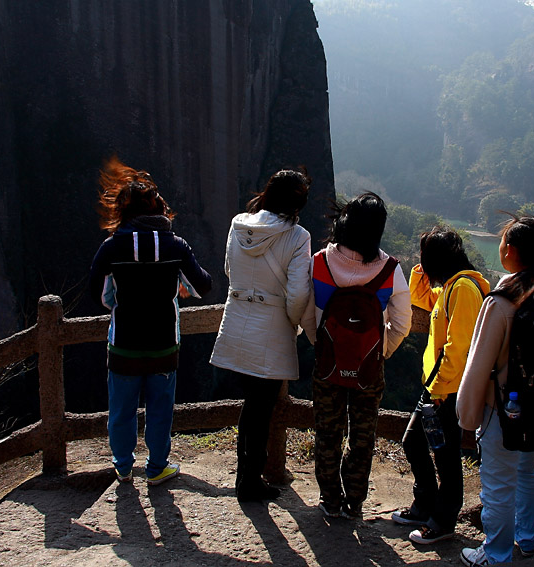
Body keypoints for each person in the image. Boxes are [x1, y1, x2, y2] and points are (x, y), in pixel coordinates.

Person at [456, 215, 534, 565]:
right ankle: (527, 538)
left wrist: (467, 415)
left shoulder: (502, 300)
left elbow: (480, 363)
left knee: (497, 484)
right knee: (528, 472)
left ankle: (495, 555)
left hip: (503, 411)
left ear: (509, 251)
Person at [89, 157, 212, 486]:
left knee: (122, 410)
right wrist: (179, 286)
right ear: (158, 209)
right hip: (162, 343)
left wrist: (119, 301)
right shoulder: (175, 245)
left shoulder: (111, 247)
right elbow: (203, 285)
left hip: (125, 343)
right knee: (160, 409)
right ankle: (157, 467)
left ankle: (123, 467)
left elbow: (99, 294)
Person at [302, 192, 412, 519]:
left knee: (327, 432)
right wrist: (381, 353)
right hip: (368, 369)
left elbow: (308, 312)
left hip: (327, 365)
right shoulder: (391, 269)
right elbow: (402, 321)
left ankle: (330, 501)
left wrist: (318, 344)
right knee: (363, 436)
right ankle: (355, 503)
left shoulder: (320, 261)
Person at [210, 169, 312, 502]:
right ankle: (249, 482)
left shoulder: (239, 223)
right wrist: (293, 323)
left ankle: (248, 477)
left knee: (253, 405)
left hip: (237, 322)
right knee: (260, 408)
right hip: (271, 328)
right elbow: (298, 294)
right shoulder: (298, 237)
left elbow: (229, 270)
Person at [393, 227, 490, 544]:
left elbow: (457, 348)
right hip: (437, 388)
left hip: (446, 391)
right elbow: (420, 298)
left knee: (445, 457)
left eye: (425, 259)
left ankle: (443, 521)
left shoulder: (463, 289)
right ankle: (426, 507)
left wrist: (436, 391)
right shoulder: (451, 287)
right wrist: (420, 270)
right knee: (417, 444)